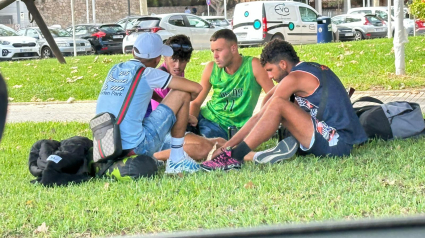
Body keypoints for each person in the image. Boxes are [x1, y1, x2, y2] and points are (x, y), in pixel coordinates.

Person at [201, 39, 368, 171]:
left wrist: (227, 147)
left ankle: (235, 157)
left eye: (270, 70)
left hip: (337, 144)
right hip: (335, 137)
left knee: (278, 105)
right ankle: (263, 153)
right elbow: (268, 100)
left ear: (282, 64)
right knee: (277, 104)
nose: (270, 76)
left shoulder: (294, 78)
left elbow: (263, 113)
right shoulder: (308, 69)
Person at [96, 33, 203, 174]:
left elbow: (139, 92)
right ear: (158, 58)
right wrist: (182, 105)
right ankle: (177, 160)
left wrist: (161, 100)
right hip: (138, 146)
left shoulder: (115, 69)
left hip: (107, 145)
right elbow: (196, 88)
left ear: (134, 51)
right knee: (182, 92)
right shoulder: (148, 73)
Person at [142, 34, 227, 161]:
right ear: (165, 57)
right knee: (205, 146)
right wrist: (187, 116)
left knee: (219, 141)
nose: (178, 65)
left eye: (182, 61)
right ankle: (153, 159)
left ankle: (249, 154)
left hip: (170, 129)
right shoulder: (160, 79)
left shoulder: (177, 73)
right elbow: (160, 117)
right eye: (174, 60)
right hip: (156, 133)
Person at [190, 29, 274, 140]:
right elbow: (196, 102)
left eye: (219, 50)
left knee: (202, 144)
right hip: (203, 116)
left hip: (224, 128)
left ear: (233, 48)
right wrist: (190, 123)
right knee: (175, 126)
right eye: (213, 51)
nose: (215, 56)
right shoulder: (211, 68)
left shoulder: (253, 65)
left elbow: (274, 96)